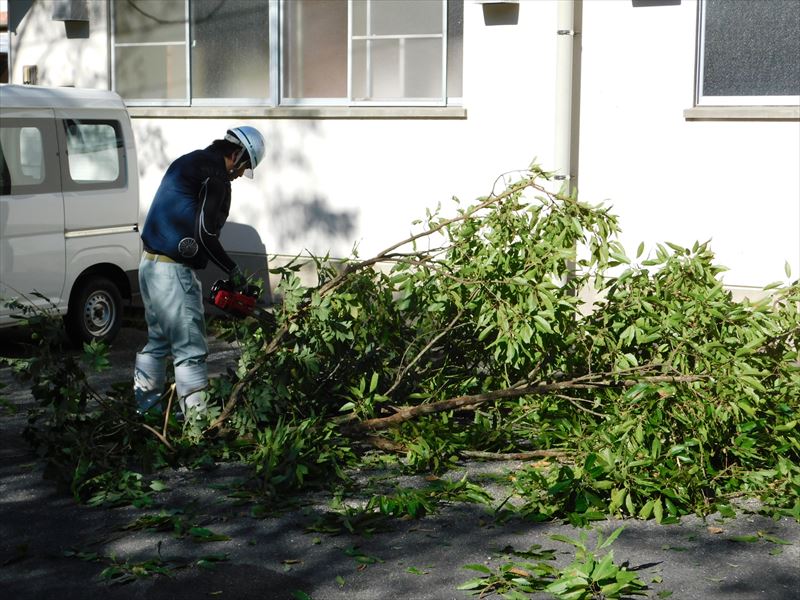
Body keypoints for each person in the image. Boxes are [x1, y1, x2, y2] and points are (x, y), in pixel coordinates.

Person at [133, 126, 265, 417]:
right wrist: (234, 272)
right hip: (173, 273)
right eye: (244, 166)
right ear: (236, 154)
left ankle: (147, 414)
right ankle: (198, 424)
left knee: (158, 342)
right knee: (190, 349)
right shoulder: (215, 176)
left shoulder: (189, 161)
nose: (241, 174)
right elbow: (205, 233)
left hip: (149, 265)